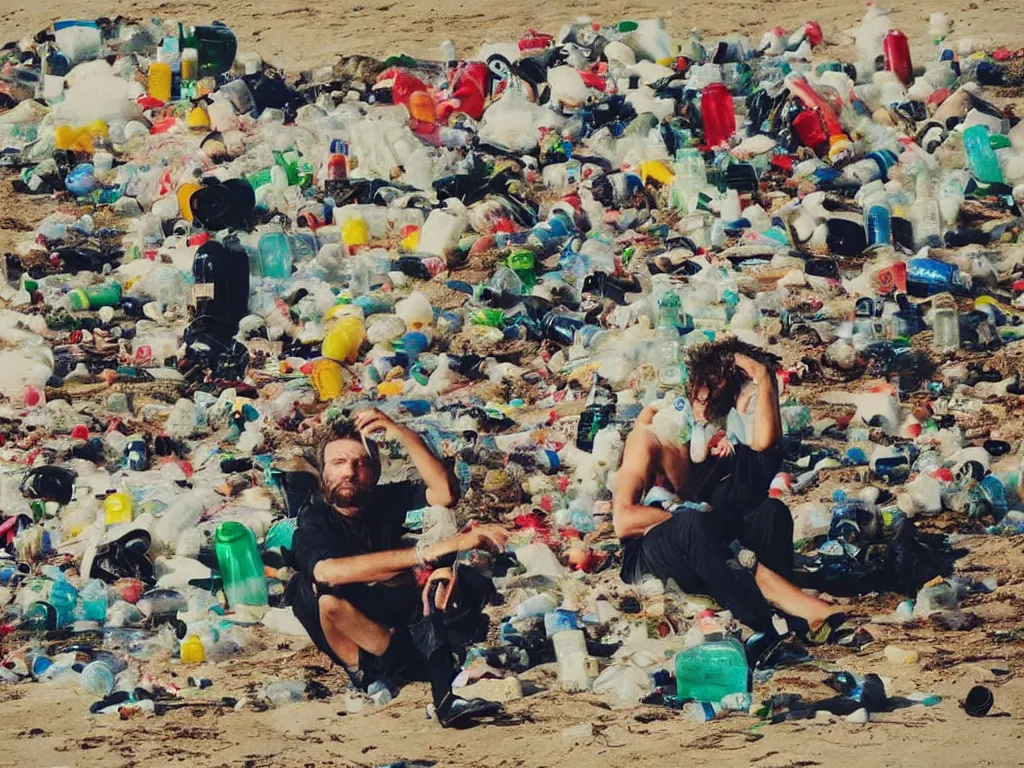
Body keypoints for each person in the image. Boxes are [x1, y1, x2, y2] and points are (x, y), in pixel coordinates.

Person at [613, 340, 845, 648]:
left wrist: (763, 379)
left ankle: (783, 604)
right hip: (653, 560)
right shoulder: (650, 438)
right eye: (702, 393)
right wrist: (688, 513)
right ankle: (761, 624)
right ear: (693, 387)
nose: (706, 406)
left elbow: (765, 446)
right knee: (692, 525)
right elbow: (624, 521)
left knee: (771, 513)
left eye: (719, 398)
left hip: (711, 556)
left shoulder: (719, 442)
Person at [288, 409, 509, 727]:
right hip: (362, 638)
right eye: (338, 464)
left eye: (360, 463)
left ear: (374, 472)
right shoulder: (315, 520)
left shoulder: (385, 501)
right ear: (323, 474)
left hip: (395, 616)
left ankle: (439, 686)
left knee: (443, 522)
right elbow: (327, 572)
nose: (350, 472)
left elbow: (445, 494)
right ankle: (369, 672)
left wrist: (401, 431)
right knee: (322, 593)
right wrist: (430, 552)